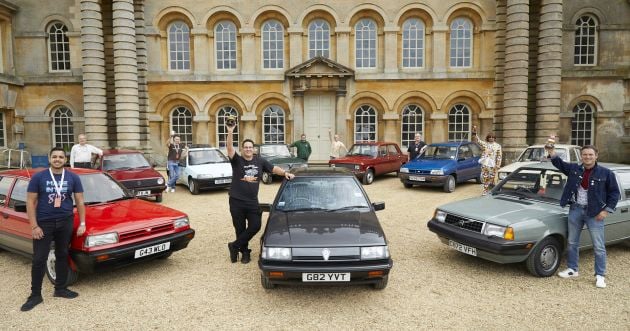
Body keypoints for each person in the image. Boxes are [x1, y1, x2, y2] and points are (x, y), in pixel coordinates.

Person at [21, 147, 86, 311]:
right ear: (49, 159)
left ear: (65, 159)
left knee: (62, 254)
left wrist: (83, 223)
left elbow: (79, 201)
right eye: (54, 156)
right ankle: (35, 295)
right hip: (44, 223)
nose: (58, 159)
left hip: (65, 221)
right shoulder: (38, 177)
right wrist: (34, 226)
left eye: (61, 157)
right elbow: (30, 202)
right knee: (39, 259)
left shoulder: (73, 177)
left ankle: (60, 288)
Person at [547, 142, 620, 288]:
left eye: (590, 154)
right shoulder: (574, 169)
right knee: (572, 242)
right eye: (585, 154)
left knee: (598, 246)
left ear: (596, 156)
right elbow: (559, 163)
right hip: (575, 210)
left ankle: (600, 275)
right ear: (581, 156)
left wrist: (606, 210)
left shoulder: (606, 173)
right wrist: (551, 151)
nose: (587, 157)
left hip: (595, 213)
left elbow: (614, 193)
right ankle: (572, 269)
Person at [225, 122, 295, 264]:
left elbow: (273, 168)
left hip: (252, 202)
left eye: (250, 147)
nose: (248, 149)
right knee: (239, 228)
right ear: (242, 149)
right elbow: (229, 148)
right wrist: (230, 131)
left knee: (256, 225)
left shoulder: (260, 161)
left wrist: (285, 173)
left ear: (254, 149)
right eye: (246, 147)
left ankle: (234, 246)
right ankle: (245, 253)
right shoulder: (237, 160)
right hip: (236, 201)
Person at [471, 125, 502, 195]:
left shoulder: (498, 146)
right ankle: (485, 190)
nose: (491, 138)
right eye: (490, 137)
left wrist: (498, 164)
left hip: (493, 164)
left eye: (492, 137)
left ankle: (492, 189)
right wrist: (474, 132)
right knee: (485, 177)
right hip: (485, 164)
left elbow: (499, 156)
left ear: (494, 138)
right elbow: (477, 140)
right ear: (487, 138)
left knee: (492, 177)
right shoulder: (485, 144)